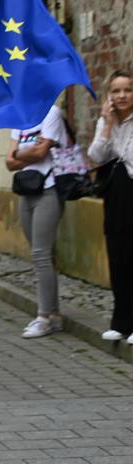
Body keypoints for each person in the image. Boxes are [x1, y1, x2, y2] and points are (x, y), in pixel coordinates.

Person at [6, 104, 67, 339]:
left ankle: (42, 317)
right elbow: (9, 162)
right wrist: (30, 150)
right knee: (42, 254)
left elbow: (40, 155)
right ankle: (54, 314)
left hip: (49, 191)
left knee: (41, 254)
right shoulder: (18, 117)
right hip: (25, 191)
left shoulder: (51, 113)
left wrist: (21, 154)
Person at [89, 70, 133, 343]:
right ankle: (121, 322)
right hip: (117, 196)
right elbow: (95, 155)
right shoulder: (106, 120)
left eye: (127, 90)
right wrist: (107, 124)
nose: (121, 96)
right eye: (115, 91)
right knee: (118, 255)